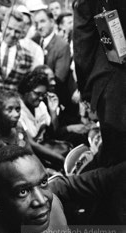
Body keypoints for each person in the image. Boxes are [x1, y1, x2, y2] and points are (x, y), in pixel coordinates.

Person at [73, 0, 126, 167]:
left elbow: (83, 46)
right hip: (114, 85)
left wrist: (86, 92)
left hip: (113, 87)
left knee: (116, 164)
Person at [18, 71, 67, 170]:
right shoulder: (18, 110)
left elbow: (54, 132)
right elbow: (31, 144)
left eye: (43, 94)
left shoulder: (41, 106)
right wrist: (60, 159)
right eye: (37, 94)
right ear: (26, 90)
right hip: (29, 156)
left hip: (43, 149)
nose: (40, 98)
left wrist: (53, 111)